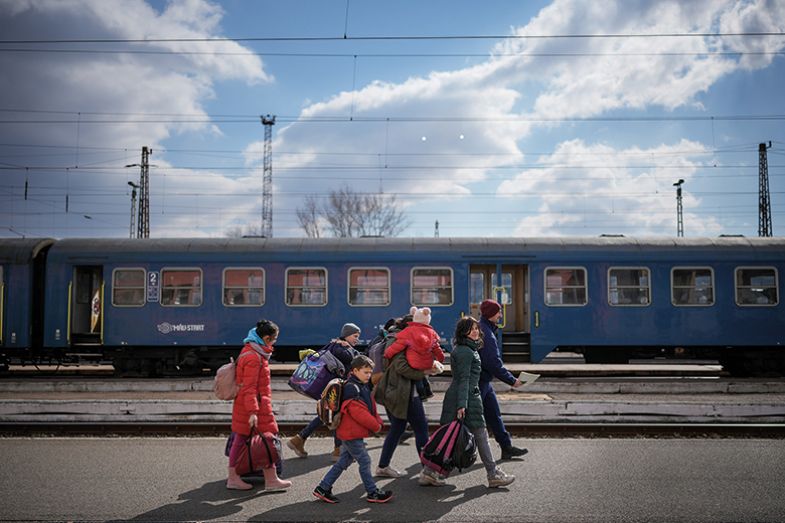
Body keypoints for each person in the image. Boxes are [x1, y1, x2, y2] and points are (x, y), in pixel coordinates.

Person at [427, 316, 515, 488]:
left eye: (476, 328)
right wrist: (462, 404)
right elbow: (464, 380)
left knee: (452, 437)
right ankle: (493, 474)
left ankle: (429, 472)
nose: (476, 331)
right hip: (465, 399)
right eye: (471, 328)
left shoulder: (466, 349)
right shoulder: (466, 352)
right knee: (479, 436)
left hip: (464, 397)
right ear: (463, 332)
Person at [313, 354, 393, 504]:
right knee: (365, 461)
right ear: (355, 371)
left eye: (370, 372)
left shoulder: (359, 385)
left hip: (351, 432)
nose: (369, 375)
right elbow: (359, 412)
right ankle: (372, 492)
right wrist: (375, 425)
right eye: (365, 372)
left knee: (343, 462)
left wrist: (377, 420)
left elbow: (369, 408)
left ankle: (323, 488)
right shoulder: (352, 387)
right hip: (351, 434)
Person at [226, 319, 292, 491]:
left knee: (263, 440)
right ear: (266, 338)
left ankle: (271, 479)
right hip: (254, 407)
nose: (275, 342)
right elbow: (249, 388)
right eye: (274, 339)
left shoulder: (253, 352)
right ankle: (235, 478)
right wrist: (253, 412)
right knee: (258, 440)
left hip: (254, 405)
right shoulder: (254, 357)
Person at [287, 322, 361, 461]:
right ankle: (337, 451)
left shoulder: (334, 345)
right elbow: (355, 359)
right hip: (335, 389)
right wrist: (350, 348)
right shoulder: (341, 348)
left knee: (329, 414)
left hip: (331, 388)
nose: (357, 339)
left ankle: (299, 440)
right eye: (355, 336)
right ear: (346, 335)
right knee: (334, 415)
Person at [373, 314, 435, 480]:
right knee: (421, 428)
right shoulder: (400, 340)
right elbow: (401, 367)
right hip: (403, 392)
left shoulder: (396, 337)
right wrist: (424, 372)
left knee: (398, 428)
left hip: (396, 390)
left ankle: (383, 466)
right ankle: (427, 471)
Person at [478, 299, 528, 460]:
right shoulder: (486, 333)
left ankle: (506, 447)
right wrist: (512, 381)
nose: (500, 315)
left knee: (494, 413)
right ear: (491, 314)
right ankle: (444, 453)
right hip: (479, 382)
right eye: (498, 312)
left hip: (484, 381)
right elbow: (493, 363)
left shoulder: (486, 329)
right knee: (466, 421)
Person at [384, 306, 445, 371]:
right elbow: (437, 349)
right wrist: (440, 359)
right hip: (428, 364)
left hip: (413, 364)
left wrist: (387, 354)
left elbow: (397, 346)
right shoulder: (432, 333)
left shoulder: (409, 331)